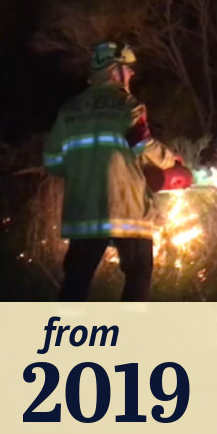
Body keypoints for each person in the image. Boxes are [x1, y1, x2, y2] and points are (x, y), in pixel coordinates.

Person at [42, 41, 179, 301]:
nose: (131, 75)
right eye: (127, 69)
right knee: (138, 274)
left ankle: (65, 338)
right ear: (114, 70)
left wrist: (83, 173)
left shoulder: (69, 110)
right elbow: (143, 145)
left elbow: (52, 161)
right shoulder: (127, 105)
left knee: (76, 281)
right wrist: (170, 160)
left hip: (84, 213)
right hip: (125, 210)